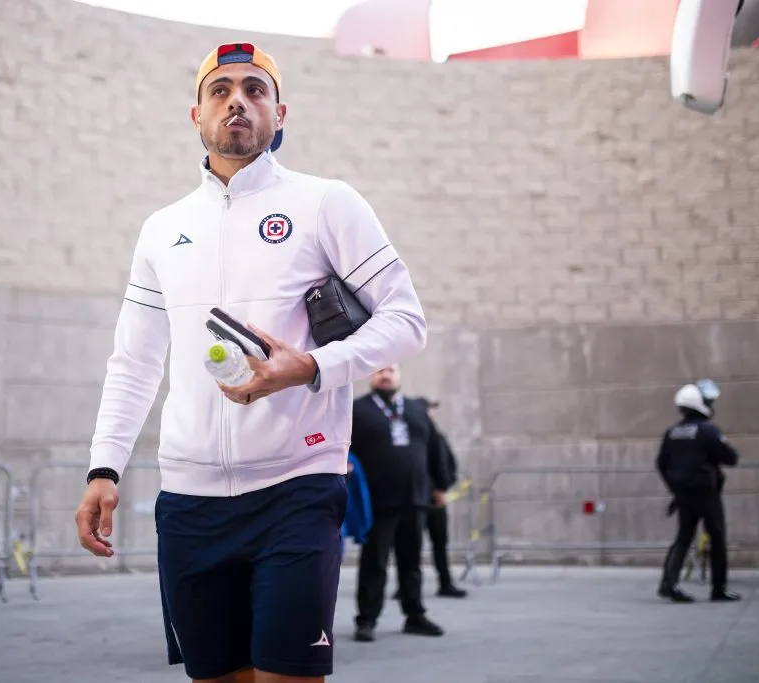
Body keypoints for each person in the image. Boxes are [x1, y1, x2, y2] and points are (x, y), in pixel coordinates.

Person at [74, 42, 427, 683]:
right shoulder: (162, 229)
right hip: (189, 500)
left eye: (255, 89)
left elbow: (406, 321)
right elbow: (134, 361)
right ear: (197, 115)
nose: (237, 100)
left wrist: (311, 366)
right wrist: (104, 466)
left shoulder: (327, 203)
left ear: (279, 113)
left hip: (298, 488)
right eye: (221, 90)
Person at [349, 364, 449, 643]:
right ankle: (367, 619)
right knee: (374, 562)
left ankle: (414, 615)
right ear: (371, 375)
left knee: (411, 562)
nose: (386, 374)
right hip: (378, 501)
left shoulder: (417, 409)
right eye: (380, 370)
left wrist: (440, 485)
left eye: (391, 370)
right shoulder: (358, 410)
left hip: (415, 498)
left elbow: (435, 448)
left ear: (399, 374)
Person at [656, 379, 740, 603]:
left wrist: (675, 488)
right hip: (706, 492)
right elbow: (731, 457)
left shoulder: (672, 432)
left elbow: (661, 463)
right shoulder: (707, 430)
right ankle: (719, 588)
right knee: (717, 537)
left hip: (683, 495)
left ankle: (668, 583)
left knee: (683, 537)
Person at [418, 397, 467, 598]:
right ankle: (407, 586)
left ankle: (445, 582)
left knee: (440, 543)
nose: (432, 413)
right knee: (410, 545)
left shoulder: (437, 437)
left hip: (436, 500)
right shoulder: (414, 440)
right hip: (416, 500)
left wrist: (442, 488)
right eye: (429, 409)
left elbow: (449, 465)